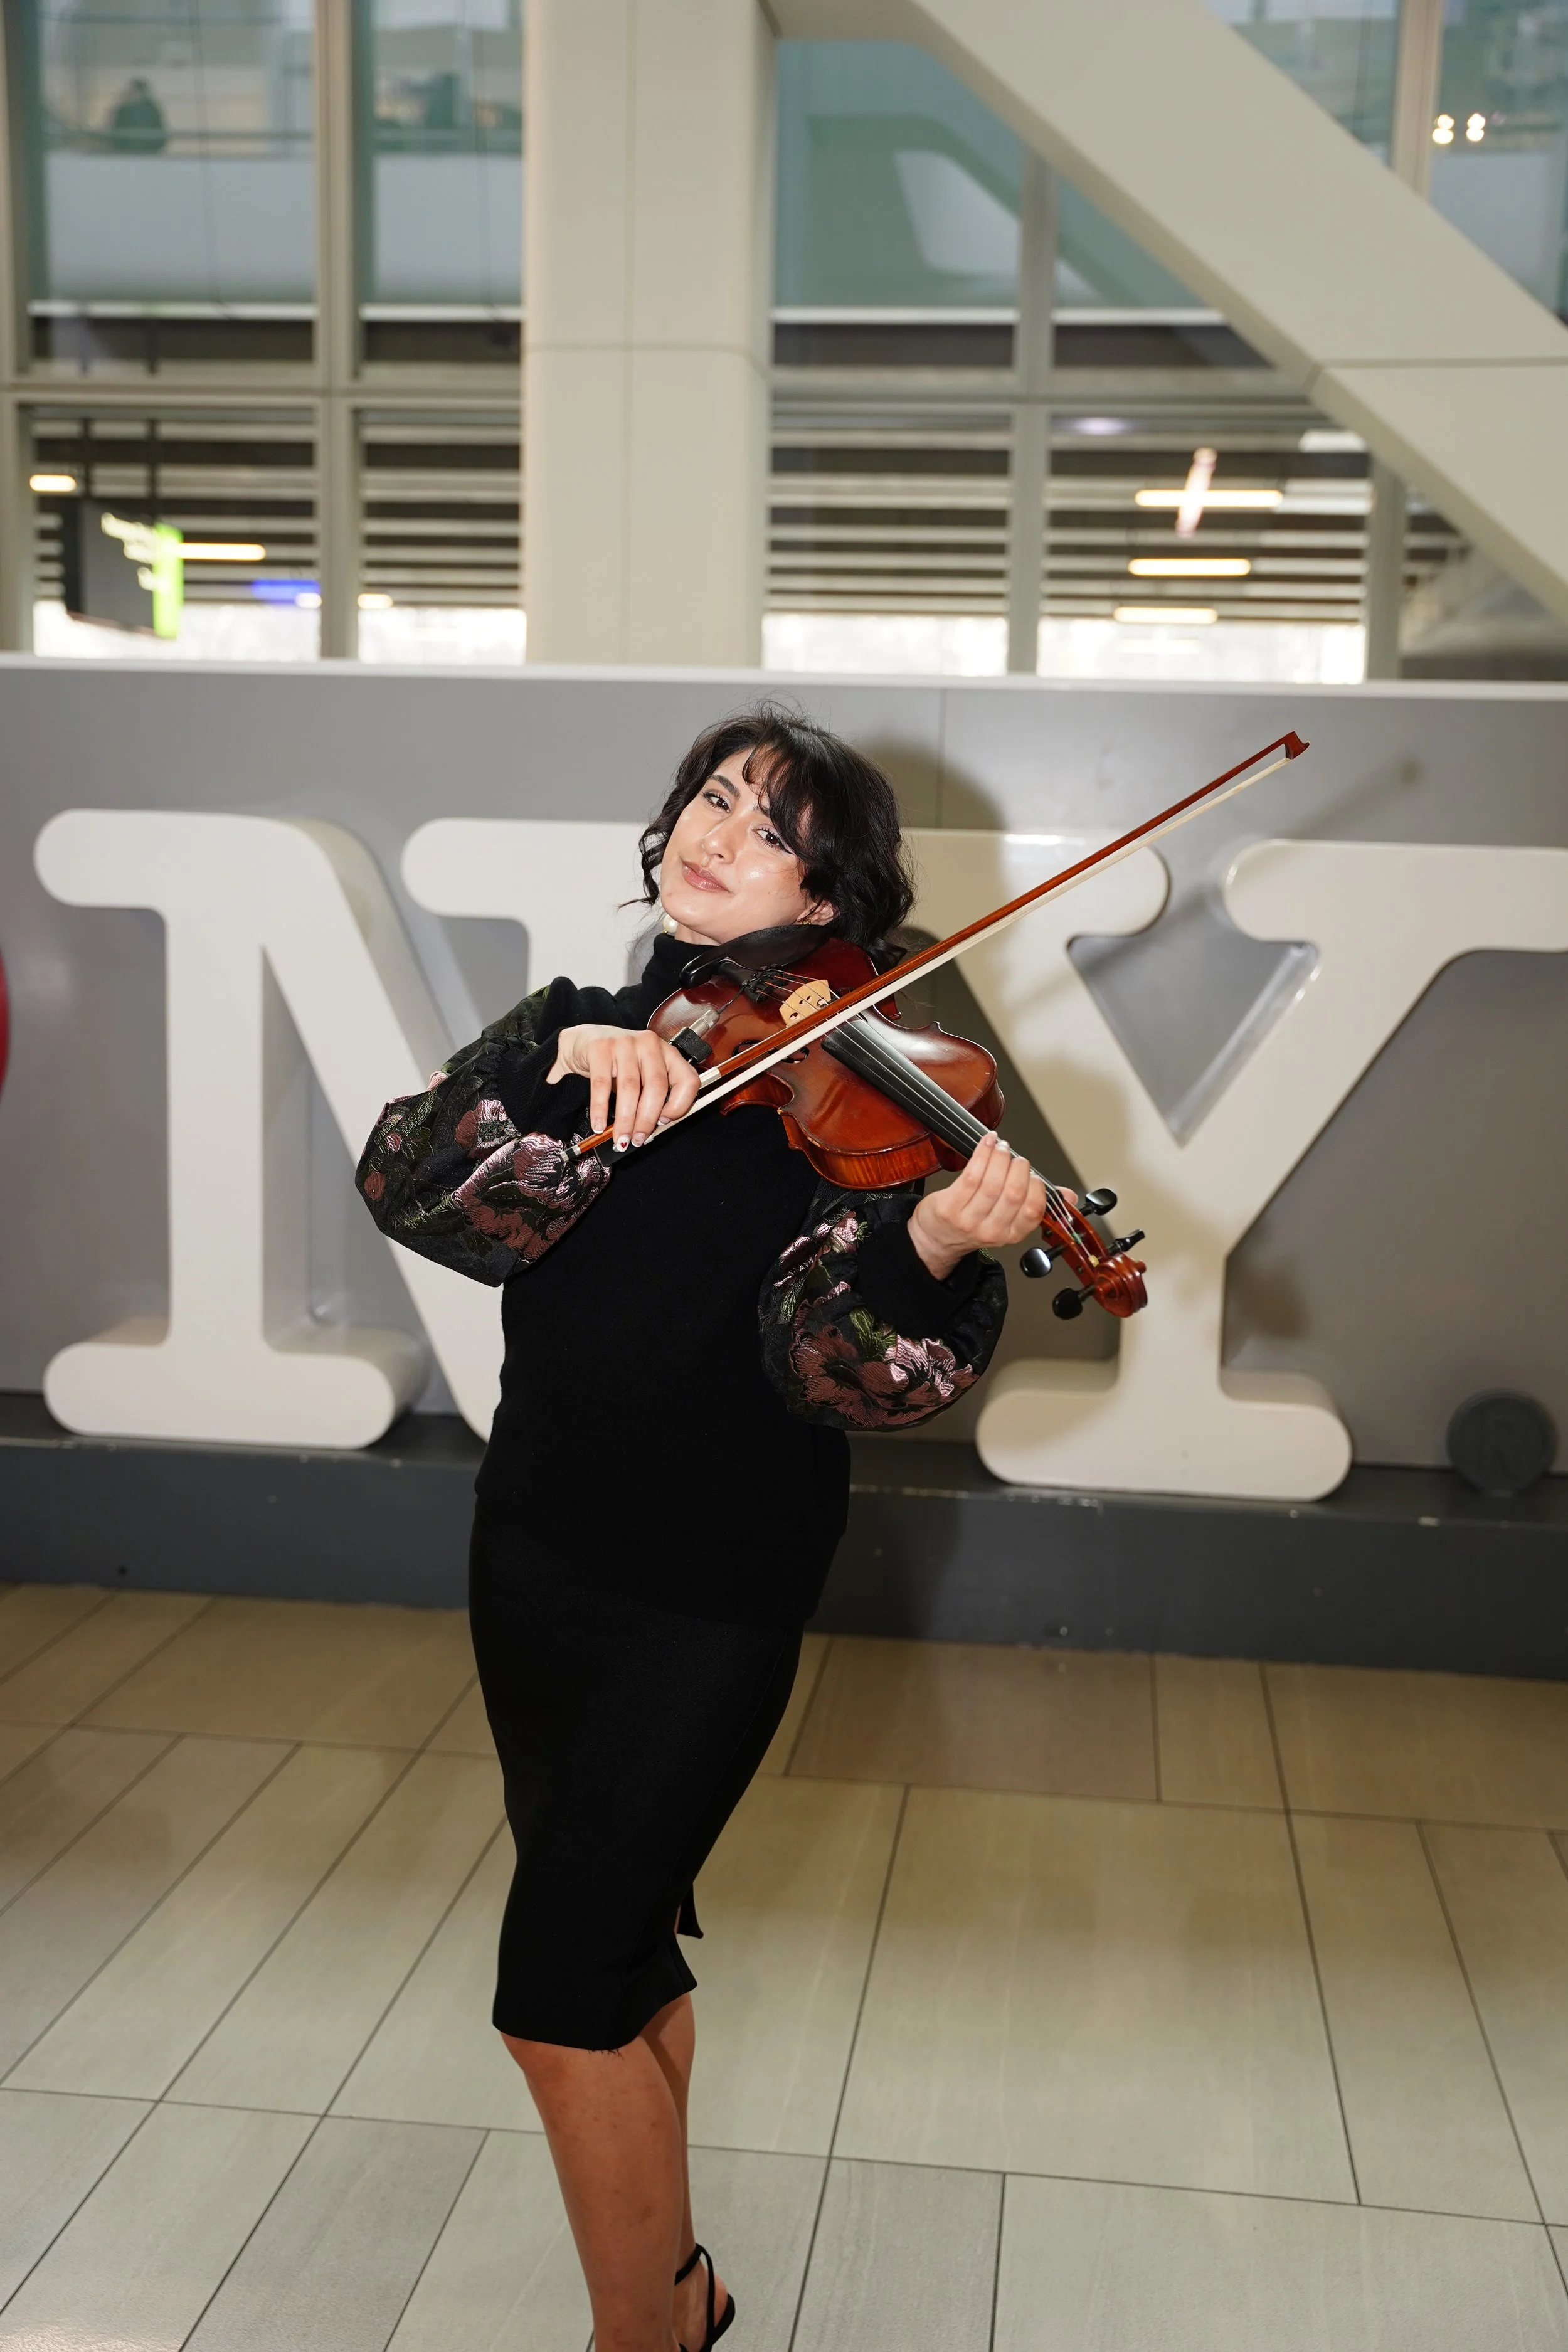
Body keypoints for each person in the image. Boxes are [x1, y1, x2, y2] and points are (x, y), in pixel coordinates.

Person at [356, 707, 1048, 2352]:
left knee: (554, 1994)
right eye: (712, 799)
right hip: (534, 1547)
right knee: (616, 1949)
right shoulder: (578, 1027)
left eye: (774, 830)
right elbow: (410, 1188)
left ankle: (643, 2333)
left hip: (711, 1588)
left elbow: (833, 1371)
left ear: (831, 898)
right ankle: (682, 2287)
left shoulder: (872, 1095)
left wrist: (932, 1248)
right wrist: (561, 1087)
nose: (721, 835)